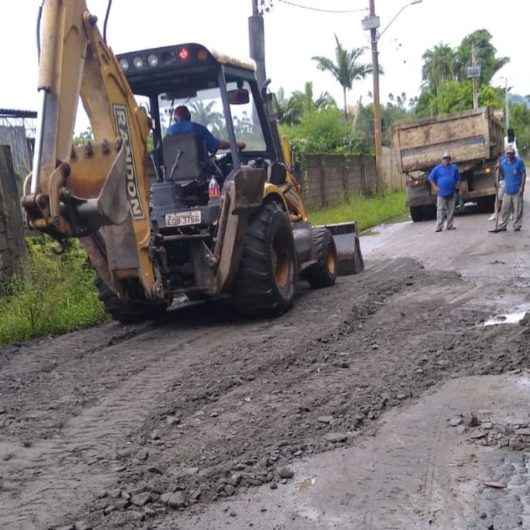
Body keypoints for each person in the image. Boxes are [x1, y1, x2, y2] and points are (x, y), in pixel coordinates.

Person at [166, 105, 245, 155]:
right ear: (189, 116)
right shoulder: (196, 128)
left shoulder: (169, 132)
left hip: (174, 173)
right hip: (201, 172)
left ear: (175, 119)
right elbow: (218, 145)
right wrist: (236, 144)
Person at [490, 145, 526, 233]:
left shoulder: (519, 162)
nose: (509, 155)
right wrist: (497, 168)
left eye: (511, 153)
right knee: (504, 209)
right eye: (508, 154)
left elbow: (524, 174)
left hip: (517, 189)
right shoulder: (504, 162)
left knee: (517, 209)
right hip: (507, 190)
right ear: (506, 154)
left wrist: (522, 187)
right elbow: (499, 171)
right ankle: (503, 225)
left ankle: (517, 225)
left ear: (514, 153)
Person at [429, 152, 460, 232]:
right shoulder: (437, 168)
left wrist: (456, 186)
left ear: (450, 160)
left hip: (452, 192)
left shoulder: (454, 168)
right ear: (442, 160)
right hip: (441, 193)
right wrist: (435, 187)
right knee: (440, 209)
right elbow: (430, 178)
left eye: (448, 158)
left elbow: (457, 178)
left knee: (451, 209)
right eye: (445, 159)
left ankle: (449, 225)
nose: (446, 160)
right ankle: (439, 226)